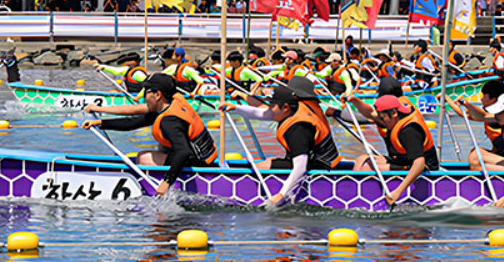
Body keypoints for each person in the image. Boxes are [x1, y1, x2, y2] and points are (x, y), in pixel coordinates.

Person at [81, 74, 218, 196]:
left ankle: (148, 191)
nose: (144, 97)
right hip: (203, 157)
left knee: (144, 158)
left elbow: (184, 151)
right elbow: (133, 122)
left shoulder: (169, 121)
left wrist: (166, 182)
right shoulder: (171, 103)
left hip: (196, 162)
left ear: (158, 95)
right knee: (155, 151)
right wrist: (100, 123)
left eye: (146, 92)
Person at [226, 77, 342, 207]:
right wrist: (235, 108)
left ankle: (241, 192)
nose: (269, 108)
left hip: (319, 168)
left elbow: (300, 167)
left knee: (262, 166)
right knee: (268, 162)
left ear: (286, 107)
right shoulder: (297, 109)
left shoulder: (298, 128)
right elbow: (261, 113)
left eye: (272, 105)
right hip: (320, 161)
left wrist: (281, 195)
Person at [351, 95, 438, 206]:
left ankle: (365, 201)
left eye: (382, 118)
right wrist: (354, 100)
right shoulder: (395, 115)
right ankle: (357, 193)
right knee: (361, 159)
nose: (381, 121)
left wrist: (397, 192)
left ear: (393, 113)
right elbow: (370, 113)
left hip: (425, 169)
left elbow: (420, 163)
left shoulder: (409, 130)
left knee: (365, 168)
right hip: (404, 161)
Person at [447, 79, 504, 169]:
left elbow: (482, 116)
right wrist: (448, 99)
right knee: (475, 153)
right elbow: (466, 114)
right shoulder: (491, 112)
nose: (481, 99)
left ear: (493, 100)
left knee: (475, 156)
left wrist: (464, 103)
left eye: (484, 96)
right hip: (501, 155)